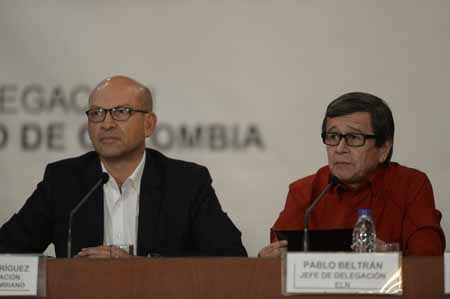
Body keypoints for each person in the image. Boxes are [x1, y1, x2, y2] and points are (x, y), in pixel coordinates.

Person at [0, 75, 247, 258]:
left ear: (149, 124)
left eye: (121, 112)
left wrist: (138, 268)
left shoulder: (186, 182)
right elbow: (7, 253)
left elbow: (231, 259)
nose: (106, 123)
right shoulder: (64, 180)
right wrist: (66, 271)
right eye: (96, 113)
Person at [259, 92, 445, 257]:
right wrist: (268, 261)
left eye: (354, 138)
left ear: (383, 149)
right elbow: (280, 258)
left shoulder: (411, 185)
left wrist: (388, 256)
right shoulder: (304, 192)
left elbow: (428, 262)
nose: (340, 149)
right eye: (333, 137)